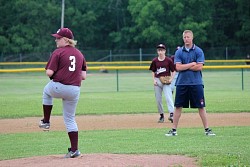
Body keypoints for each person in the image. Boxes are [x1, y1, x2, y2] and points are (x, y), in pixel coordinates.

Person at [39, 27, 87, 158]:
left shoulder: (58, 52)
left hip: (59, 87)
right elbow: (83, 76)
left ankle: (46, 121)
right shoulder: (80, 54)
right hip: (74, 90)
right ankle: (74, 150)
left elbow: (49, 72)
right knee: (70, 119)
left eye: (58, 38)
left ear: (66, 40)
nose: (56, 40)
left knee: (46, 91)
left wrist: (56, 73)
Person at [165, 30, 215, 136]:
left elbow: (199, 67)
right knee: (178, 106)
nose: (186, 39)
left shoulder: (198, 51)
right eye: (184, 37)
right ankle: (174, 130)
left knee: (201, 106)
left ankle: (207, 129)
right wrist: (192, 64)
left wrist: (185, 66)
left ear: (192, 38)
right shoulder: (179, 52)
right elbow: (178, 67)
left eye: (188, 37)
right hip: (182, 83)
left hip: (196, 83)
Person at [149, 43, 175, 123]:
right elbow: (153, 71)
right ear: (157, 51)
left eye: (162, 50)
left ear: (165, 51)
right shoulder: (155, 61)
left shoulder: (168, 60)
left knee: (168, 97)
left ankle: (171, 114)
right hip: (158, 80)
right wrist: (154, 80)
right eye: (159, 50)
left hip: (166, 81)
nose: (160, 52)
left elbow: (173, 71)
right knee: (158, 99)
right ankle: (161, 115)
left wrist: (171, 79)